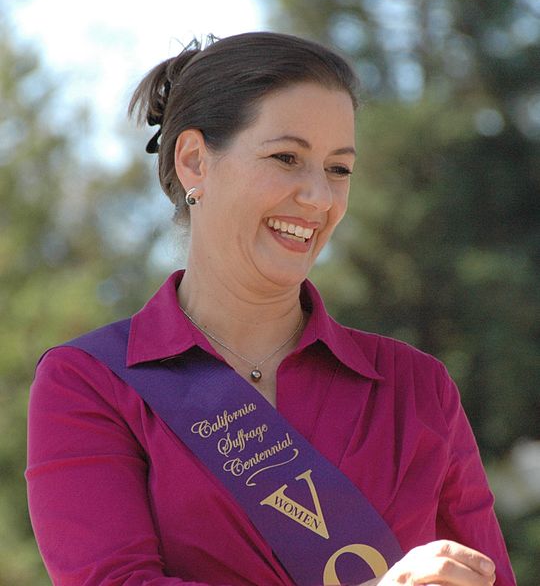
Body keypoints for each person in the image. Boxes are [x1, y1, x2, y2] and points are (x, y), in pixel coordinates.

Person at [26, 32, 515, 586]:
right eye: (287, 158)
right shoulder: (89, 382)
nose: (320, 199)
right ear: (194, 163)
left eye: (338, 169)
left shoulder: (417, 387)